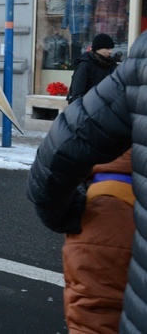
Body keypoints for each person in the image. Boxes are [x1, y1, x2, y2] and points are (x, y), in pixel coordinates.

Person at [27, 29, 147, 333]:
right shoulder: (89, 66)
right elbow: (76, 103)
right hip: (102, 140)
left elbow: (60, 152)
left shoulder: (122, 69)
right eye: (106, 49)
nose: (109, 53)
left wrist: (59, 211)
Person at [67, 32, 117, 104]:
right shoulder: (85, 64)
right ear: (97, 48)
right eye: (107, 48)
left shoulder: (111, 65)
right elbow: (77, 93)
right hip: (89, 109)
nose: (110, 52)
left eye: (111, 49)